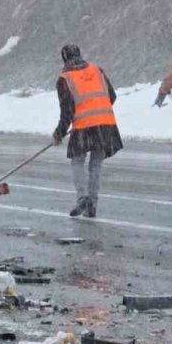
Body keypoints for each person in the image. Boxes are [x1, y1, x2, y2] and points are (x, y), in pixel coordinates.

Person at [52, 44, 123, 218]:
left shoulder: (65, 78)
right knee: (96, 164)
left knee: (77, 161)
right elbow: (111, 96)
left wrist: (58, 134)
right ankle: (92, 203)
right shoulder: (97, 70)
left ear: (64, 59)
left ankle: (82, 198)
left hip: (84, 126)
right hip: (105, 123)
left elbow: (67, 112)